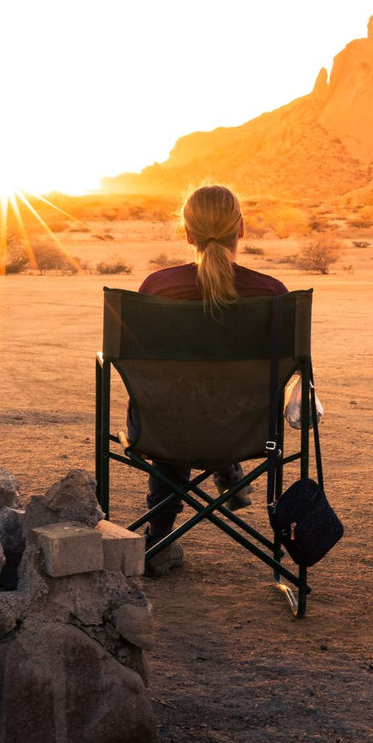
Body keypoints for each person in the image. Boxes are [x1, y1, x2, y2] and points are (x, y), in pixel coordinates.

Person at [134, 184, 287, 573]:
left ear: (187, 233)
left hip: (163, 429)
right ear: (241, 229)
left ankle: (158, 543)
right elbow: (290, 369)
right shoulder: (273, 294)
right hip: (248, 429)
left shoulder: (158, 288)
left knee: (176, 411)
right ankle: (225, 464)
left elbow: (145, 366)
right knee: (212, 405)